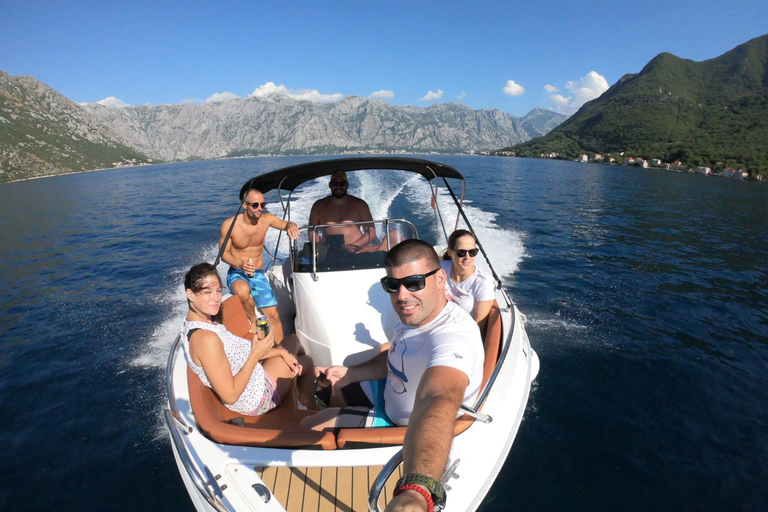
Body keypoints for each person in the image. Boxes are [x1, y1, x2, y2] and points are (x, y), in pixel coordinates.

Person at [302, 239, 484, 512]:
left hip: (403, 424)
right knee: (330, 385)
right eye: (392, 285)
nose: (401, 295)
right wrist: (352, 373)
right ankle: (343, 412)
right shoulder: (417, 317)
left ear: (439, 279)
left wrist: (416, 489)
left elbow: (440, 399)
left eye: (414, 283)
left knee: (308, 426)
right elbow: (395, 356)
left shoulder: (452, 337)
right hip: (391, 390)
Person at [182, 262, 317, 415]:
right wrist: (256, 355)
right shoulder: (206, 339)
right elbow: (230, 396)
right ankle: (310, 404)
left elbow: (237, 353)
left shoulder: (201, 323)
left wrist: (280, 353)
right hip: (256, 397)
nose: (216, 298)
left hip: (254, 377)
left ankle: (298, 389)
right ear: (190, 294)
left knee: (292, 341)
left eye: (218, 291)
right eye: (207, 292)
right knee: (306, 362)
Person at [219, 187, 299, 344]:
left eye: (263, 204)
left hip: (257, 273)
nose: (260, 208)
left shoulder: (266, 219)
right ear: (244, 205)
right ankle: (254, 318)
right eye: (255, 205)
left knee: (274, 315)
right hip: (237, 272)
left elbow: (285, 223)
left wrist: (290, 225)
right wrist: (240, 264)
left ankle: (281, 350)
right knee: (242, 291)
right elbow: (223, 254)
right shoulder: (230, 225)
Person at [308, 170, 376, 253]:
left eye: (342, 184)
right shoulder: (318, 206)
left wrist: (354, 246)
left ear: (347, 185)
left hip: (356, 253)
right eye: (335, 184)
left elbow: (371, 231)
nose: (338, 187)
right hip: (328, 253)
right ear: (330, 185)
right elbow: (312, 231)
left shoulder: (360, 204)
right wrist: (319, 248)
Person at [441, 229, 495, 332]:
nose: (467, 257)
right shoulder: (440, 270)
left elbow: (479, 325)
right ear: (450, 252)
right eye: (461, 252)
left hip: (464, 334)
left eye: (472, 252)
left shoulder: (482, 282)